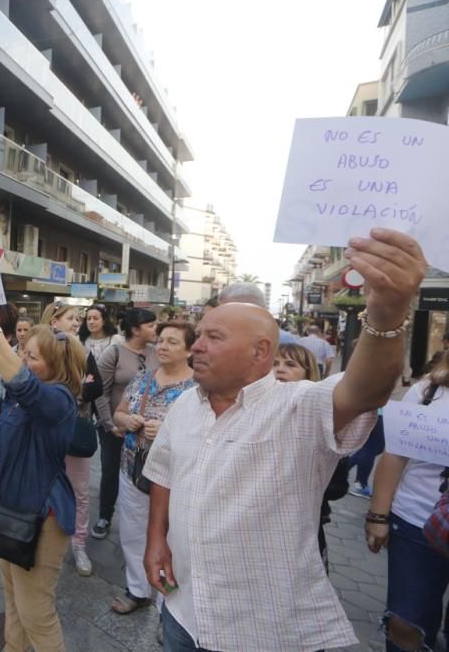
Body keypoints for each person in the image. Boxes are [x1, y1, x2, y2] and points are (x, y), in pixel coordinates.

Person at [143, 228, 426, 651]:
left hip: (262, 627)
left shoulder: (299, 406)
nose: (195, 347)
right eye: (198, 335)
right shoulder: (185, 405)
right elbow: (163, 473)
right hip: (182, 610)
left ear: (260, 353)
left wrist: (387, 315)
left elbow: (366, 390)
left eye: (213, 338)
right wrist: (155, 542)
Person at [0, 297, 84, 651]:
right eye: (23, 352)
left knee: (36, 611)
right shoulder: (22, 400)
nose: (22, 360)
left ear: (56, 365)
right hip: (11, 511)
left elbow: (23, 384)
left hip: (41, 518)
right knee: (13, 599)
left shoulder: (59, 399)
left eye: (32, 357)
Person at [365, 354, 449, 652]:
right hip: (417, 522)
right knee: (405, 622)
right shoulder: (429, 391)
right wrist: (378, 515)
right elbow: (395, 453)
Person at [111, 322, 195, 615]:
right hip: (133, 468)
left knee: (171, 538)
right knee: (132, 531)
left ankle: (167, 605)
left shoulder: (198, 388)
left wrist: (169, 430)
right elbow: (118, 413)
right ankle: (137, 589)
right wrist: (126, 421)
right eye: (161, 340)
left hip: (174, 478)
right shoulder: (143, 378)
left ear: (189, 350)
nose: (163, 346)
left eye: (173, 342)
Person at [272, 343, 350, 572]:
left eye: (290, 364)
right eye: (275, 364)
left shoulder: (319, 415)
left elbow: (337, 485)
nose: (280, 369)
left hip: (300, 523)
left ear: (308, 372)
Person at [41, 300, 102, 577]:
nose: (77, 322)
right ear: (54, 322)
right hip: (42, 431)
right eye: (70, 318)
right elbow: (32, 385)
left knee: (79, 490)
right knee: (43, 486)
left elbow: (96, 387)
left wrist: (65, 392)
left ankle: (78, 544)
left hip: (75, 429)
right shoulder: (39, 348)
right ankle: (41, 536)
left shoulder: (84, 351)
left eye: (78, 318)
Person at [91, 307, 158, 540]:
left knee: (143, 473)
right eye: (150, 325)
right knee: (110, 471)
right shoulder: (114, 353)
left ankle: (143, 523)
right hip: (114, 427)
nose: (154, 329)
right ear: (135, 329)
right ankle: (105, 516)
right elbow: (101, 391)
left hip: (146, 429)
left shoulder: (157, 353)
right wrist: (110, 424)